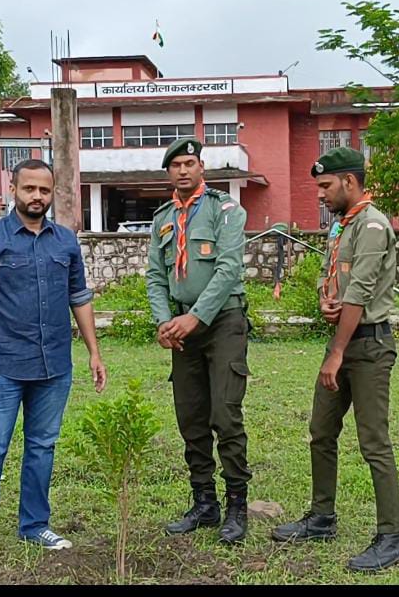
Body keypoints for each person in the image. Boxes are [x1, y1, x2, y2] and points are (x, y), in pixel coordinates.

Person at [0, 158, 107, 577]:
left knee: (42, 448)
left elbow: (80, 297)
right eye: (29, 189)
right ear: (13, 189)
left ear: (52, 192)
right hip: (4, 365)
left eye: (44, 190)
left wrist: (94, 351)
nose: (37, 197)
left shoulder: (65, 242)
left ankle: (34, 525)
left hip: (55, 366)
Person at [271, 146, 399, 572]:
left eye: (326, 186)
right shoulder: (341, 228)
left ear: (350, 182)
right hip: (344, 337)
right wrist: (324, 300)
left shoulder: (370, 225)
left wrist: (335, 353)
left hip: (367, 348)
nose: (320, 195)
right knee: (321, 431)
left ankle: (392, 538)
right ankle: (322, 518)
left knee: (374, 443)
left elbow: (363, 290)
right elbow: (331, 277)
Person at [145, 137, 252, 544]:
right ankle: (204, 503)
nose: (184, 170)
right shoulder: (162, 218)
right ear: (169, 173)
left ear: (201, 168)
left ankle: (237, 505)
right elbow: (156, 276)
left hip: (222, 321)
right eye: (177, 165)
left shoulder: (225, 210)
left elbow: (227, 270)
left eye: (191, 163)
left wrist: (194, 318)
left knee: (224, 415)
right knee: (190, 418)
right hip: (181, 328)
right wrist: (163, 321)